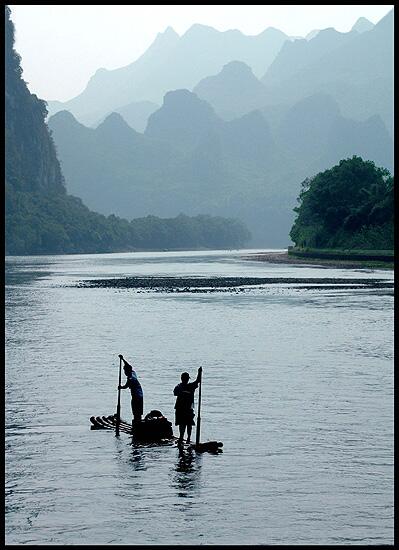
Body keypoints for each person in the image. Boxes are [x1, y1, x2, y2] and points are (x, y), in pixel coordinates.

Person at [173, 367, 202, 443]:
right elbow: (198, 381)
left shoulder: (184, 386)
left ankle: (184, 438)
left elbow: (198, 381)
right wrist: (199, 372)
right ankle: (184, 438)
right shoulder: (183, 387)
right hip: (183, 408)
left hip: (185, 408)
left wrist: (199, 372)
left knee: (185, 423)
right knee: (185, 423)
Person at [118, 354, 143, 424]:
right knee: (138, 411)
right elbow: (128, 366)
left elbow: (126, 386)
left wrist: (120, 387)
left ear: (127, 371)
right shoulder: (133, 373)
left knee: (136, 411)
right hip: (140, 395)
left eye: (124, 371)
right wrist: (122, 359)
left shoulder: (131, 378)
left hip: (136, 396)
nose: (124, 372)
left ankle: (137, 424)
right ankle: (138, 422)